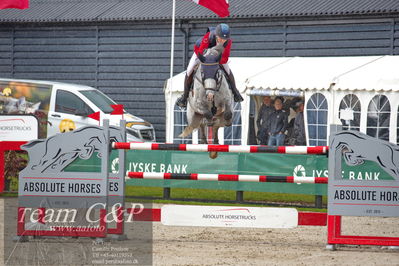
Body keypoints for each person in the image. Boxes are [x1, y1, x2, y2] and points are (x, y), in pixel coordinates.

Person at [176, 23, 243, 108]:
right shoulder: (209, 36)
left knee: (228, 70)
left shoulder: (228, 42)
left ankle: (235, 91)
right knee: (189, 70)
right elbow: (201, 53)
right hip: (201, 53)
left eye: (224, 39)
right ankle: (184, 97)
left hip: (217, 56)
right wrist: (209, 59)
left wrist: (215, 61)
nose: (222, 41)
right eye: (220, 38)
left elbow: (224, 59)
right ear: (216, 35)